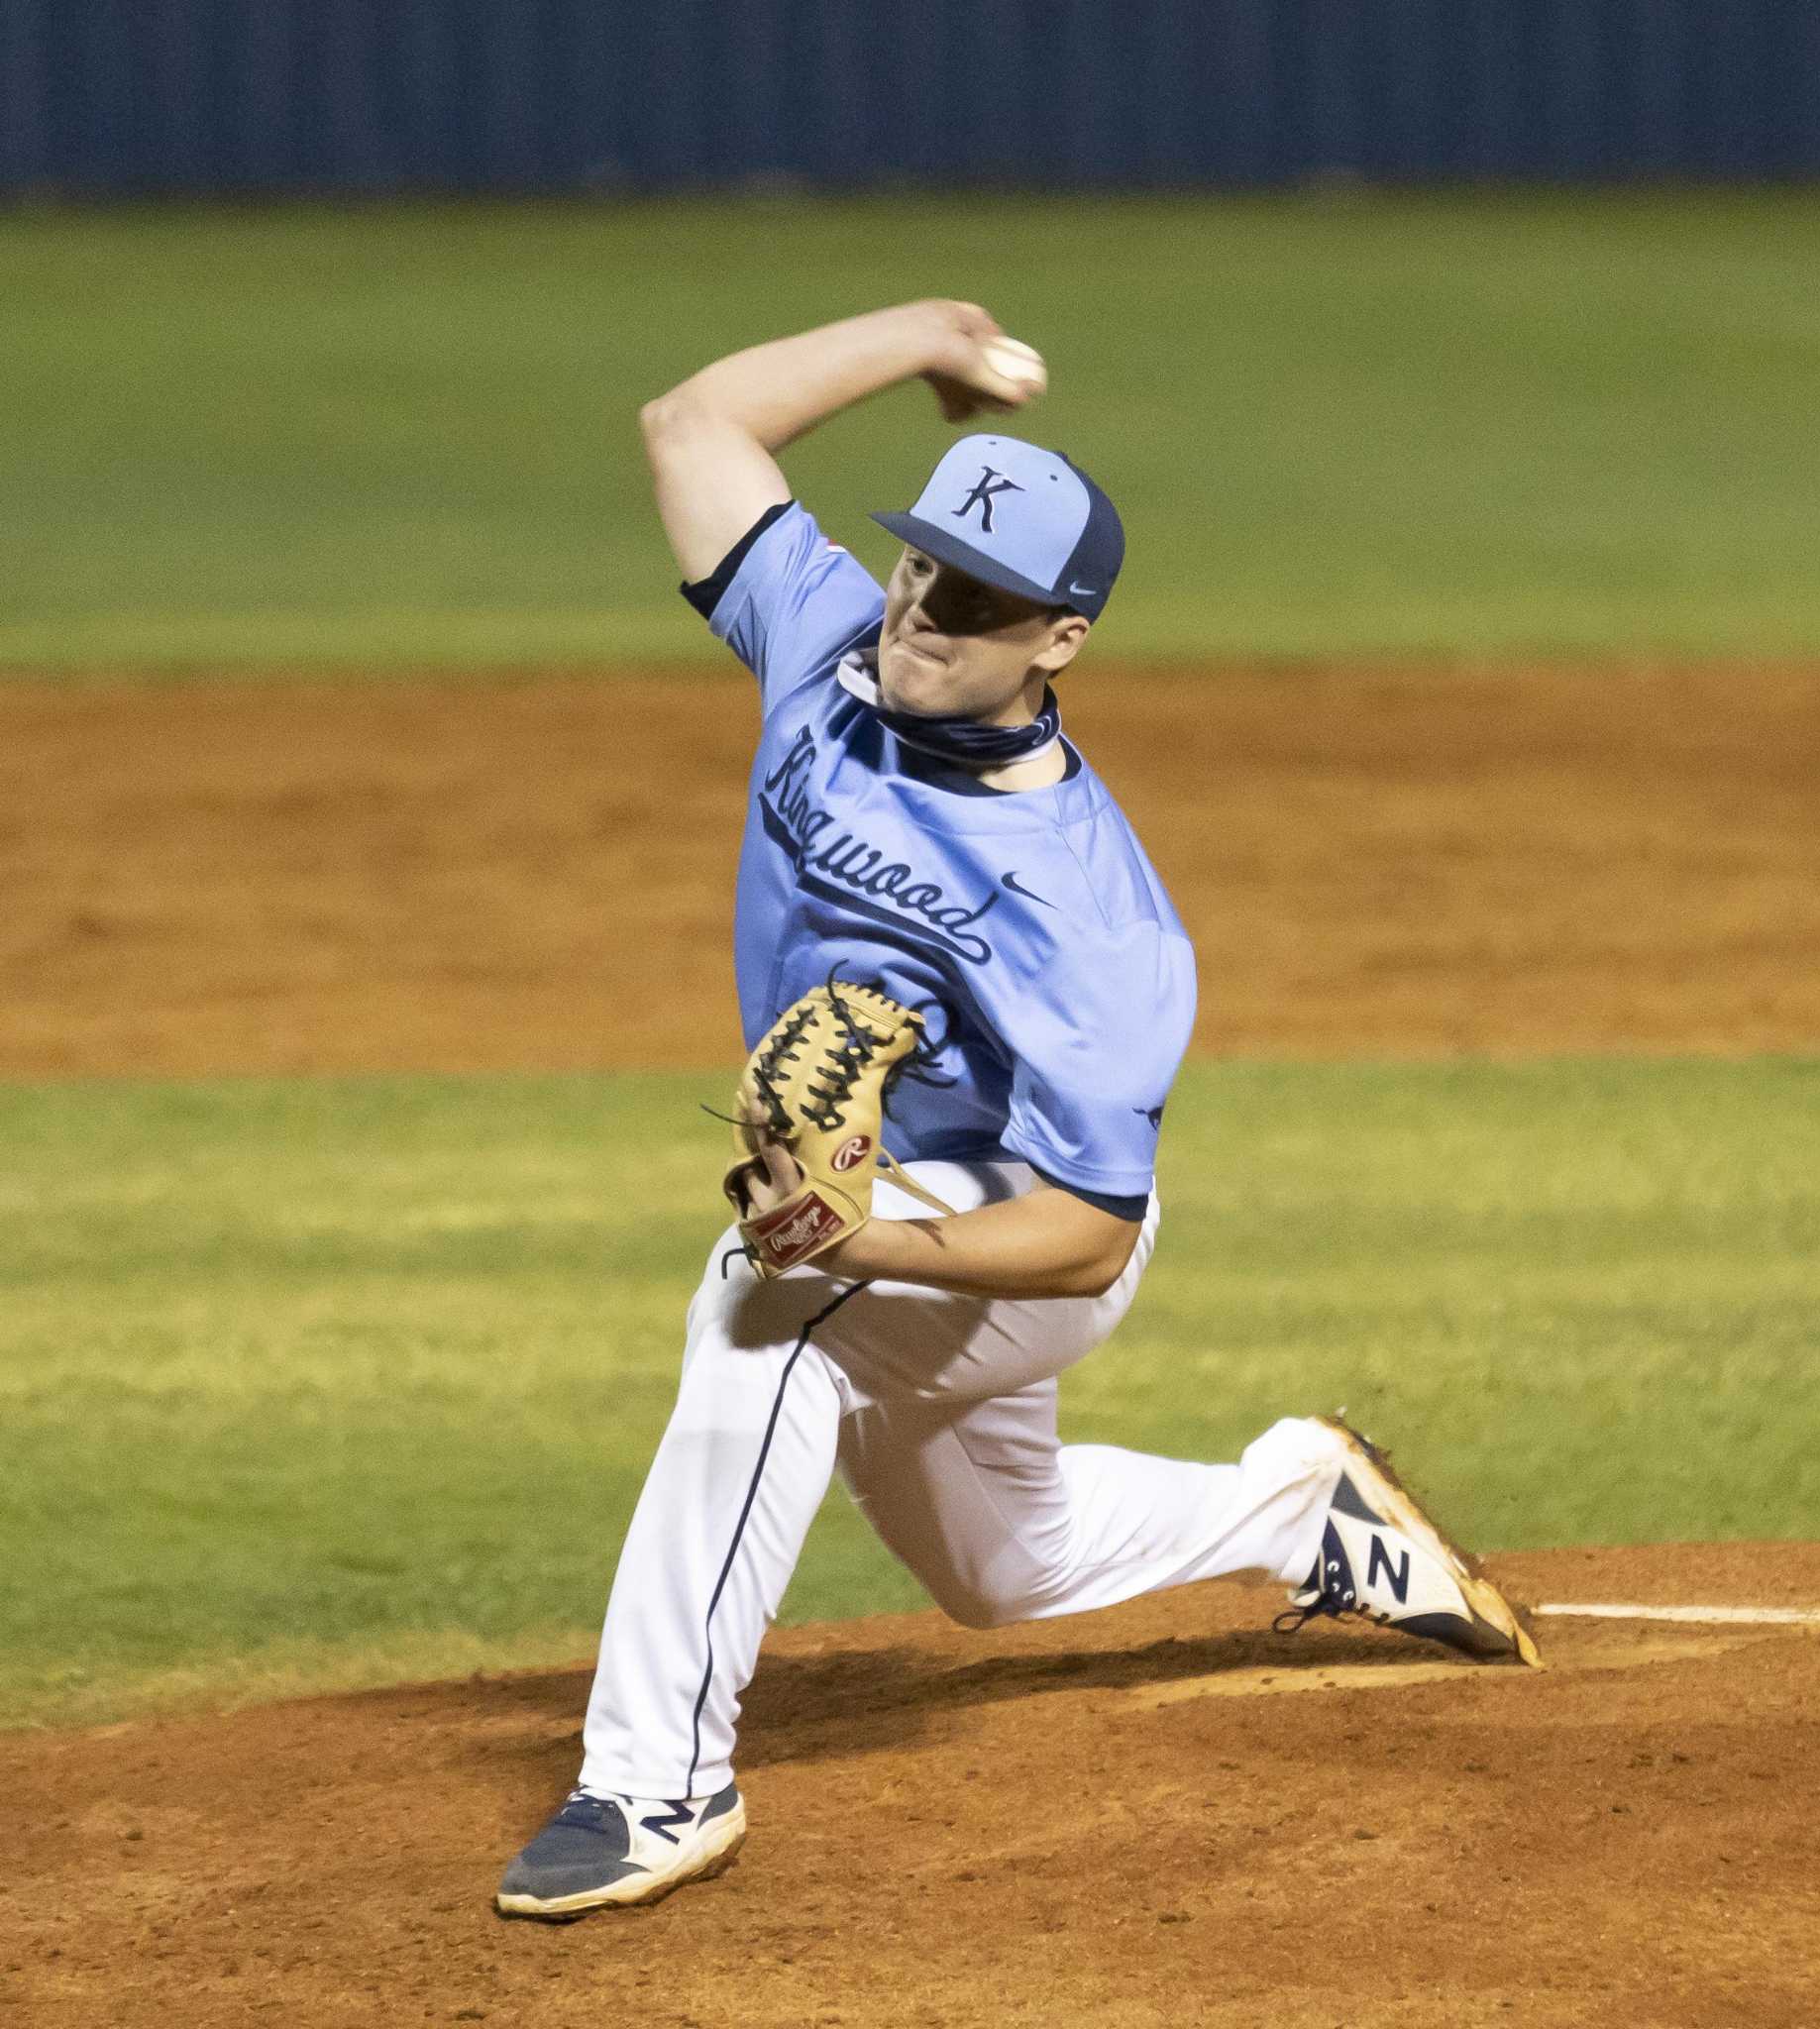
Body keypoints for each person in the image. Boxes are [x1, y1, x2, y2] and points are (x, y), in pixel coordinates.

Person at [494, 300, 1537, 1922]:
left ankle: (655, 1784)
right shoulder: (824, 645)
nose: (922, 613)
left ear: (1059, 638)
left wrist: (854, 1242)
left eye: (974, 599)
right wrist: (928, 332)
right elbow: (692, 426)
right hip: (890, 1217)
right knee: (1005, 1570)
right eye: (918, 566)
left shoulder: (1090, 913)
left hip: (1014, 1232)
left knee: (764, 1315)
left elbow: (1085, 1238)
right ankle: (1296, 1505)